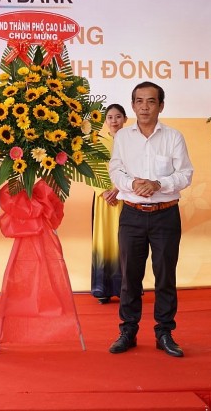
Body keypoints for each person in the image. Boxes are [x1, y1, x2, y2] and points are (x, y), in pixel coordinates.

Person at [107, 81, 193, 357]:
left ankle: (164, 333)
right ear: (133, 106)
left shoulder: (174, 137)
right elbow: (116, 170)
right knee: (129, 276)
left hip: (165, 214)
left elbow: (185, 174)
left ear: (161, 106)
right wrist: (133, 184)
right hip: (131, 214)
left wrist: (158, 184)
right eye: (139, 101)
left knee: (165, 276)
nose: (145, 107)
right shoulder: (123, 137)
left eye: (151, 101)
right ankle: (128, 331)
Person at [91, 103, 127, 304]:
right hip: (103, 200)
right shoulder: (96, 142)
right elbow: (89, 170)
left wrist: (120, 189)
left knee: (126, 243)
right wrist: (104, 191)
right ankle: (102, 289)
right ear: (105, 121)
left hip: (127, 197)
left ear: (125, 119)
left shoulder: (133, 141)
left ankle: (126, 289)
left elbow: (137, 168)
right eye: (110, 117)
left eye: (118, 116)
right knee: (104, 242)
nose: (114, 121)